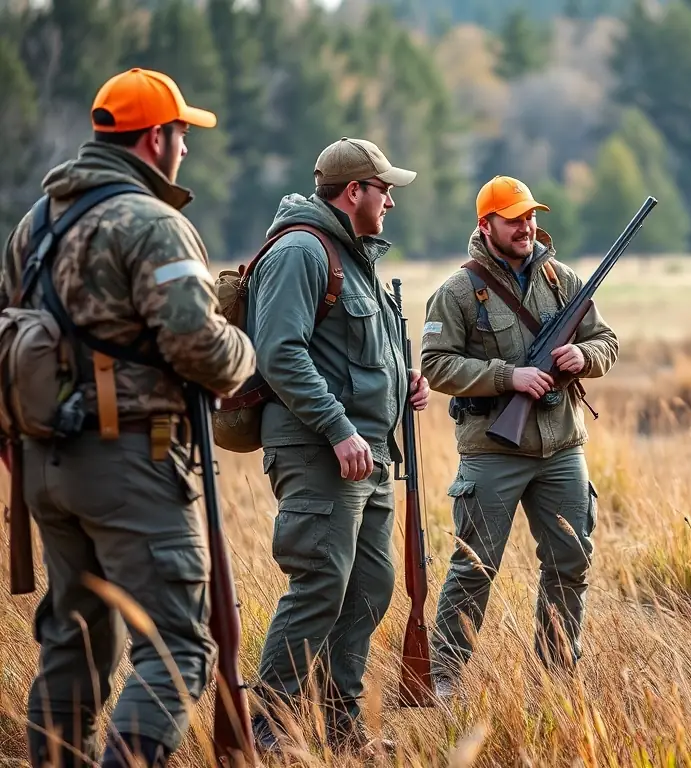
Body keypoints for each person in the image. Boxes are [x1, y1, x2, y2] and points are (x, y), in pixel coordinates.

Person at [0, 68, 256, 767]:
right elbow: (195, 343)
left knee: (75, 640)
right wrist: (245, 350)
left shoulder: (36, 223)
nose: (186, 149)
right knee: (177, 647)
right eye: (181, 134)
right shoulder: (153, 223)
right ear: (155, 139)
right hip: (128, 464)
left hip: (44, 465)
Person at [246, 137, 429, 755]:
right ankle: (268, 731)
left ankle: (338, 727)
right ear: (355, 192)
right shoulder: (302, 251)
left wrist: (405, 383)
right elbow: (280, 353)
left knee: (371, 585)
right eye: (386, 191)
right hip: (320, 450)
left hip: (368, 454)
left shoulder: (356, 256)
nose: (391, 204)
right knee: (322, 583)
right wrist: (339, 427)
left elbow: (353, 355)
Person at [420, 175, 619, 694]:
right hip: (492, 451)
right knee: (473, 567)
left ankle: (556, 675)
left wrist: (585, 357)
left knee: (571, 560)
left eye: (532, 217)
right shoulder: (458, 291)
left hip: (561, 448)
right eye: (515, 219)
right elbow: (436, 366)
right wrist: (509, 376)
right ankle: (443, 679)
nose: (528, 227)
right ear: (486, 225)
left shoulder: (565, 281)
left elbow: (607, 340)